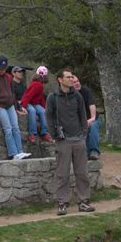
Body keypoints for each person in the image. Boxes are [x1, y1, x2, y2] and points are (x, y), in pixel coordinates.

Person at [47, 68, 94, 216]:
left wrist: (83, 134)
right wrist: (55, 136)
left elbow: (83, 115)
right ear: (60, 80)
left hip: (78, 139)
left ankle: (84, 202)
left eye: (72, 77)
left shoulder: (77, 96)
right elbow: (49, 118)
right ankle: (62, 203)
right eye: (68, 77)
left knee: (82, 173)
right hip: (63, 140)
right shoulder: (52, 97)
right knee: (62, 174)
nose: (71, 79)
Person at [0, 55, 31, 161]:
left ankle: (20, 151)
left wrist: (17, 108)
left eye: (3, 68)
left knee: (16, 127)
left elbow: (13, 94)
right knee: (8, 129)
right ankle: (13, 153)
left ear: (6, 68)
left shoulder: (9, 77)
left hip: (10, 105)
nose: (1, 70)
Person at [20, 66, 52, 143]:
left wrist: (44, 107)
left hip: (34, 103)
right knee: (32, 111)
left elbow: (40, 98)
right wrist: (23, 106)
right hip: (27, 103)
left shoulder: (40, 84)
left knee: (43, 111)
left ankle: (44, 132)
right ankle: (32, 133)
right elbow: (28, 95)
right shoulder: (37, 85)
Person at [72, 75, 101, 161]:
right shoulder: (68, 95)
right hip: (78, 122)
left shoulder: (86, 91)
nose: (77, 83)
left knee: (93, 126)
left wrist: (92, 118)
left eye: (77, 81)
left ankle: (94, 151)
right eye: (74, 82)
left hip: (91, 119)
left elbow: (92, 105)